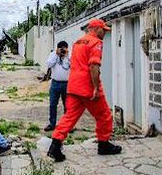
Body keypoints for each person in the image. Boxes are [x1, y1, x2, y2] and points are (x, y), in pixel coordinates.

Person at [47, 19, 122, 163]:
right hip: (87, 86)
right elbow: (94, 66)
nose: (105, 33)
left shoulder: (78, 43)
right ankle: (104, 145)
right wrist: (95, 87)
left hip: (74, 85)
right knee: (104, 115)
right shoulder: (96, 43)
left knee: (69, 117)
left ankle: (55, 146)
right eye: (103, 30)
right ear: (95, 29)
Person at [43, 41, 70, 132]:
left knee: (67, 105)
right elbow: (49, 64)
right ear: (57, 48)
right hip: (55, 83)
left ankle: (67, 125)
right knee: (53, 104)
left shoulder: (69, 56)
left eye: (64, 48)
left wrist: (67, 55)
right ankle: (52, 124)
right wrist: (56, 55)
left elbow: (74, 65)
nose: (62, 50)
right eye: (60, 48)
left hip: (67, 84)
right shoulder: (53, 54)